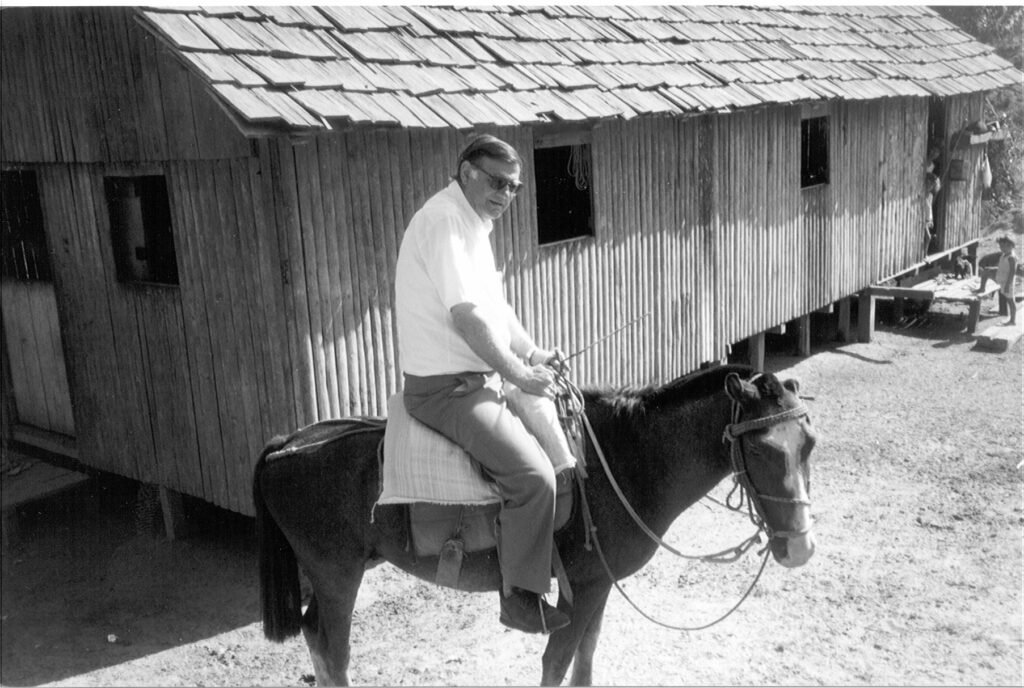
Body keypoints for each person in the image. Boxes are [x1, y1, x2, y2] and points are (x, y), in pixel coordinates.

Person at [394, 134, 571, 634]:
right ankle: (519, 597)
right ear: (468, 173)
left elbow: (496, 309)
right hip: (446, 389)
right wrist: (519, 375)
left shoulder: (474, 222)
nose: (506, 195)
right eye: (497, 183)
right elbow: (469, 318)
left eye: (514, 187)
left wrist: (533, 354)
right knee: (534, 478)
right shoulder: (444, 222)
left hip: (473, 378)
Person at [977, 235, 1017, 325]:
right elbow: (1003, 266)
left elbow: (1012, 273)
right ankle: (982, 288)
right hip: (1000, 275)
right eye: (1001, 246)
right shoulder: (1004, 254)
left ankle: (1012, 320)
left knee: (1010, 301)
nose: (1003, 248)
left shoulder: (1011, 258)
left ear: (1011, 246)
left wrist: (1008, 285)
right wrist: (994, 269)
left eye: (1005, 246)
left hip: (1007, 281)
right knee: (986, 271)